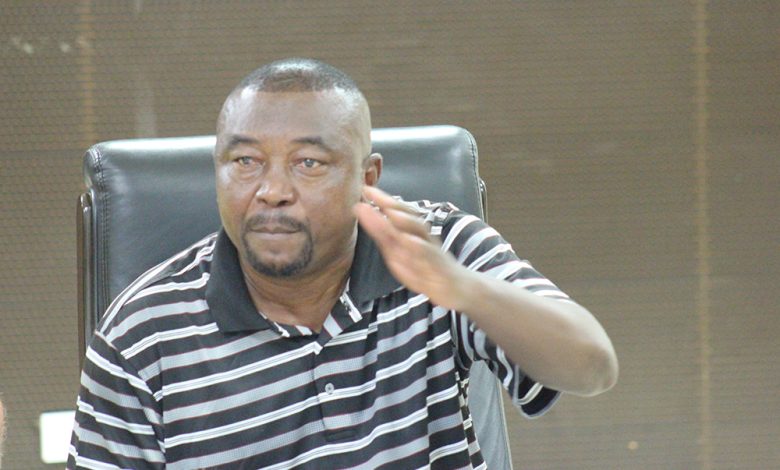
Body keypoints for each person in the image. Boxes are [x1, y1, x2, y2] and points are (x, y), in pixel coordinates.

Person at [68, 58, 618, 469]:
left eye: (308, 162)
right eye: (245, 161)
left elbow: (592, 366)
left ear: (366, 179)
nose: (272, 190)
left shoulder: (437, 249)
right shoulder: (143, 332)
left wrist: (463, 290)